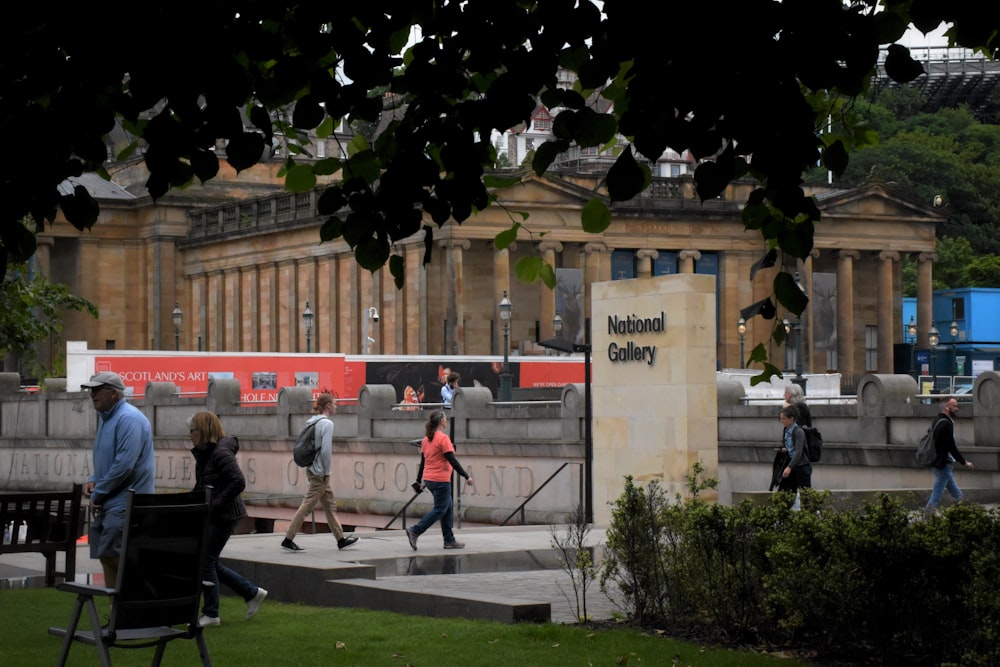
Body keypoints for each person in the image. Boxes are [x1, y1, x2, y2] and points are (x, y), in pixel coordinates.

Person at [188, 411, 267, 627]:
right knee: (209, 561)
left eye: (193, 429)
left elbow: (238, 482)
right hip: (217, 514)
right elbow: (203, 485)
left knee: (206, 560)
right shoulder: (206, 453)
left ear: (203, 430)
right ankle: (251, 593)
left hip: (225, 515)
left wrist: (214, 504)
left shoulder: (221, 453)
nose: (190, 434)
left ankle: (211, 613)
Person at [81, 371, 155, 586]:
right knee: (108, 554)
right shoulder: (107, 418)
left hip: (127, 502)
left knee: (112, 554)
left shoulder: (128, 418)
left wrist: (99, 492)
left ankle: (127, 606)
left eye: (96, 390)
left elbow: (124, 465)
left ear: (113, 394)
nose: (91, 394)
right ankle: (118, 611)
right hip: (115, 501)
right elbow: (108, 458)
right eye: (90, 390)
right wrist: (94, 479)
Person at [281, 393, 359, 552]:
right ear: (328, 405)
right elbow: (326, 451)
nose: (336, 406)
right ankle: (288, 538)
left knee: (330, 506)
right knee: (307, 506)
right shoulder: (327, 424)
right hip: (320, 473)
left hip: (313, 469)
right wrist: (327, 472)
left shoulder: (313, 422)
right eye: (334, 403)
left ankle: (340, 539)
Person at [406, 410, 474, 551]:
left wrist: (419, 481)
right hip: (441, 480)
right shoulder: (443, 439)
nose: (447, 420)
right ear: (442, 421)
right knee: (440, 509)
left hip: (429, 479)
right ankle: (415, 530)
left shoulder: (426, 440)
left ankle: (449, 540)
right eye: (445, 418)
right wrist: (466, 476)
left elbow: (423, 462)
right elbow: (452, 460)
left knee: (447, 507)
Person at [925, 397, 974, 512]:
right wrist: (964, 462)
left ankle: (964, 512)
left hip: (938, 462)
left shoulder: (936, 420)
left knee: (955, 491)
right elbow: (951, 447)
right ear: (947, 408)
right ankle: (926, 517)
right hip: (943, 463)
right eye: (954, 406)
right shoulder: (946, 424)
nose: (957, 409)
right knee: (937, 493)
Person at [777, 405, 811, 510]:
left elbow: (798, 451)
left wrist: (789, 467)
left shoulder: (798, 431)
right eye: (781, 418)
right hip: (792, 464)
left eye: (784, 419)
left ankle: (807, 516)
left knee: (805, 495)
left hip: (801, 466)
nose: (781, 421)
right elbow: (791, 447)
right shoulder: (787, 431)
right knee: (785, 492)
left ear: (791, 419)